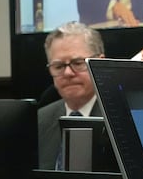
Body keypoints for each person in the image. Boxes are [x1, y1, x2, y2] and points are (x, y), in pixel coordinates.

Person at [37, 22, 106, 170]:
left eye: (78, 63)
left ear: (99, 63)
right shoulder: (39, 121)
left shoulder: (121, 117)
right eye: (59, 66)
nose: (68, 73)